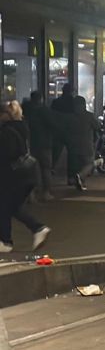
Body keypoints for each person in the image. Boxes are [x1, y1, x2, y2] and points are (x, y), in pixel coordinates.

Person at [0, 101, 51, 252]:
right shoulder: (21, 127)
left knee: (6, 207)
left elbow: (7, 154)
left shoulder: (7, 132)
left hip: (13, 176)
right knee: (10, 207)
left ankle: (7, 241)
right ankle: (35, 230)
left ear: (6, 115)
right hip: (24, 175)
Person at [21, 91, 56, 201]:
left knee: (32, 170)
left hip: (30, 144)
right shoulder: (45, 111)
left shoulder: (26, 111)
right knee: (46, 169)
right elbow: (53, 125)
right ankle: (46, 193)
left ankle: (31, 194)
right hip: (45, 143)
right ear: (41, 99)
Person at [65, 96, 99, 191]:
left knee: (78, 165)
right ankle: (80, 177)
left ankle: (80, 183)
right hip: (86, 144)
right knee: (89, 164)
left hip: (73, 145)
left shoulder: (70, 117)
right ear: (84, 105)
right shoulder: (89, 116)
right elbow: (97, 126)